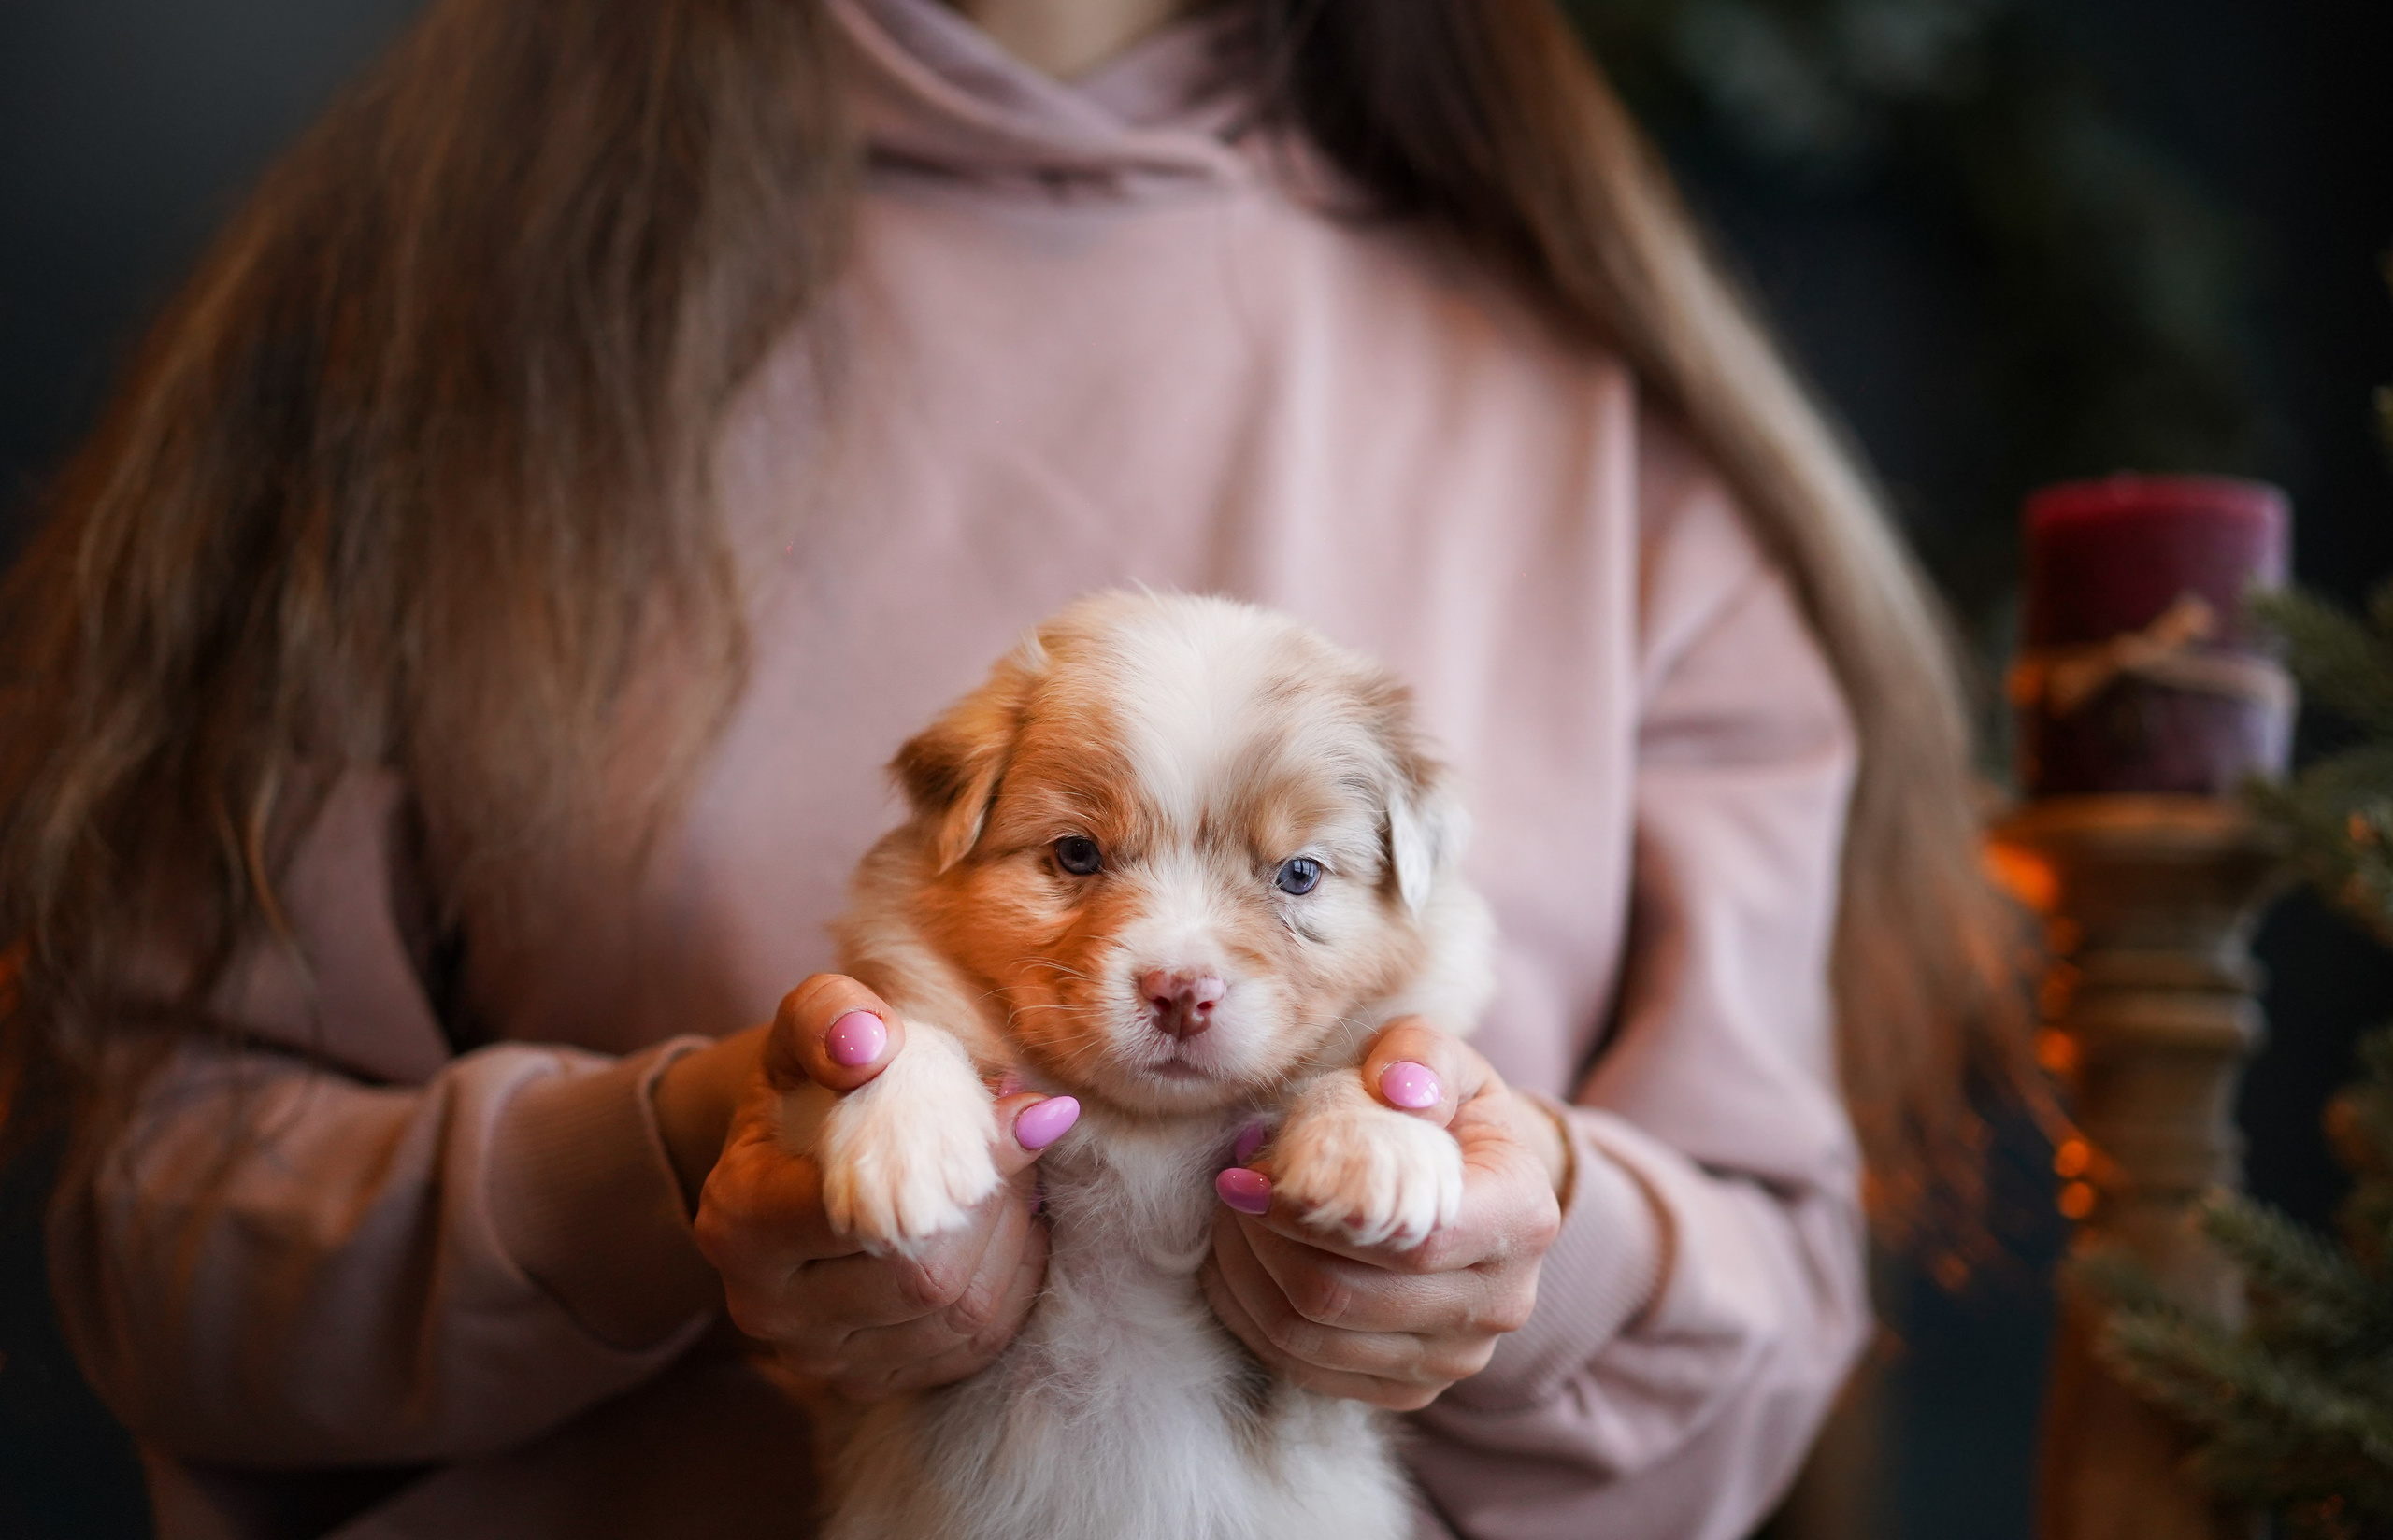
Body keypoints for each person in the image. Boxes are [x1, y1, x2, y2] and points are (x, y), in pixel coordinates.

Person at [0, 0, 2030, 1536]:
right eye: (1076, 854)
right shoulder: (407, 345)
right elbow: (165, 1239)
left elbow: (1773, 1314)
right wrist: (666, 1163)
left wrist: (1521, 1243)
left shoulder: (1614, 409)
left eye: (1292, 875)